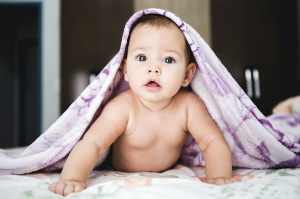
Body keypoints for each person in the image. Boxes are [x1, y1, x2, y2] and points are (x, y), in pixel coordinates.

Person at [50, 14, 241, 196]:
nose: (153, 68)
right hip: (120, 169)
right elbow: (93, 143)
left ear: (187, 75)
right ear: (125, 70)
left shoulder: (188, 106)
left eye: (168, 59)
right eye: (142, 58)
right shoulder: (123, 107)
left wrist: (219, 177)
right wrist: (73, 178)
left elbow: (212, 140)